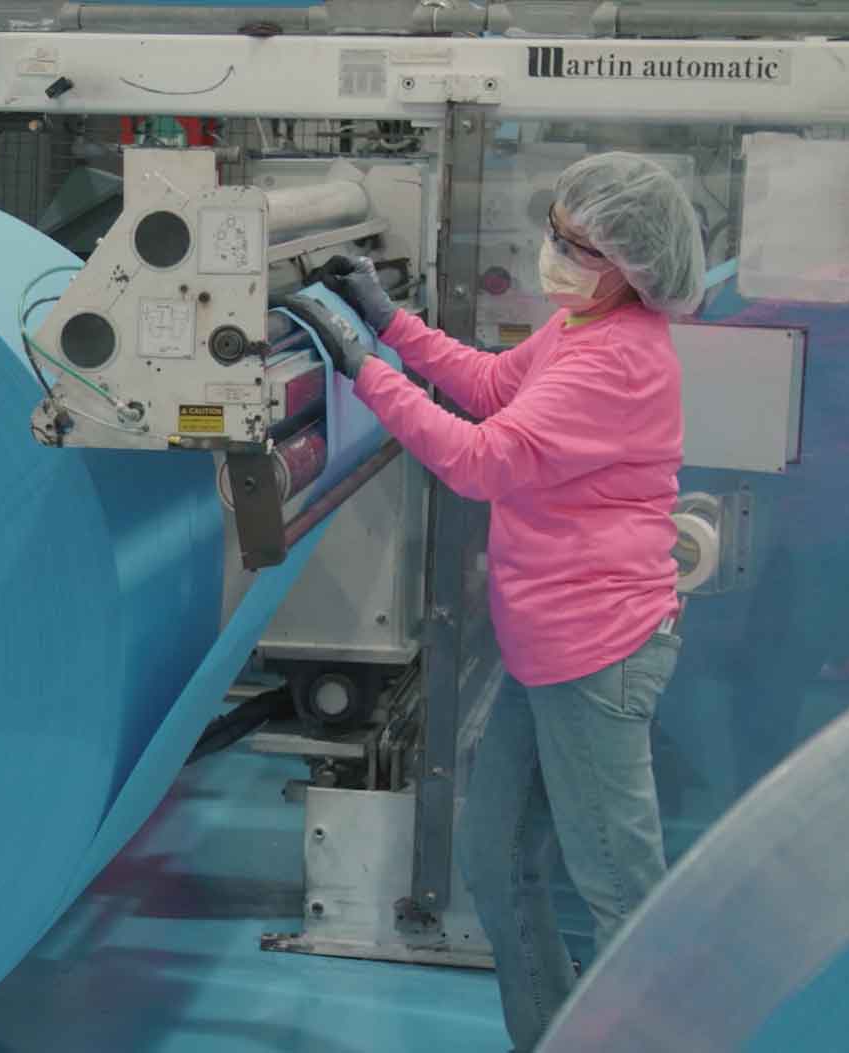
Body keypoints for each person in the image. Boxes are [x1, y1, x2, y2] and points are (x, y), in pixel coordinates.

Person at [290, 152, 705, 1051]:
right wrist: (387, 319)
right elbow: (485, 386)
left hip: (597, 653)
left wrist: (363, 370)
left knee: (619, 887)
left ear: (630, 263)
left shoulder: (617, 361)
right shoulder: (579, 328)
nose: (551, 251)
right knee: (492, 856)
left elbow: (481, 458)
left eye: (576, 243)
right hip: (547, 646)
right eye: (554, 229)